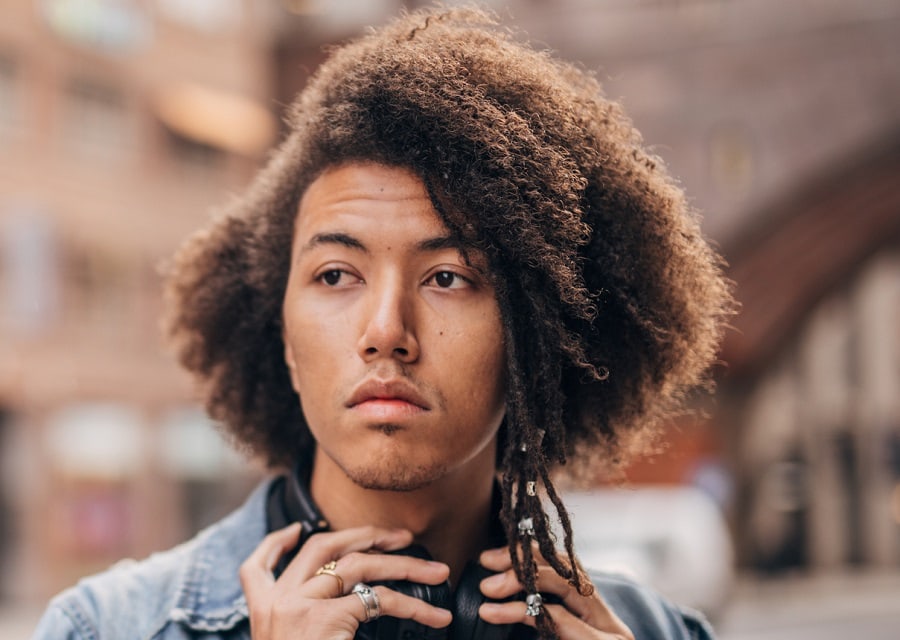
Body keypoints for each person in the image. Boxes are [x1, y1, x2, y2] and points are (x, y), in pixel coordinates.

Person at [33, 6, 733, 640]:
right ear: (280, 332)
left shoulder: (661, 633)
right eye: (336, 275)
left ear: (540, 338)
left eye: (448, 277)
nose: (385, 330)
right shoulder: (104, 627)